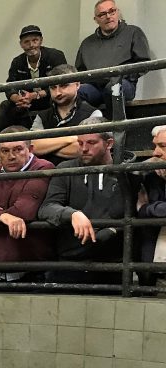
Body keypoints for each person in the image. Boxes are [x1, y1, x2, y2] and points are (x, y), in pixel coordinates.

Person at [37, 116, 124, 285]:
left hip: (111, 264)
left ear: (109, 144)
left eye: (91, 143)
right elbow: (46, 208)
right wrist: (72, 214)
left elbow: (129, 212)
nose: (84, 148)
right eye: (80, 142)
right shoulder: (65, 169)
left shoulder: (125, 172)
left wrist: (111, 231)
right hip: (70, 262)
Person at [0, 127, 55, 283]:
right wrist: (4, 217)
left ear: (30, 149)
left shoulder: (43, 168)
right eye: (5, 151)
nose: (11, 156)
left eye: (18, 149)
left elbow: (24, 211)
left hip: (32, 269)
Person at [76, 0, 151, 117]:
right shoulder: (87, 43)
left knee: (113, 87)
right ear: (96, 19)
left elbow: (144, 62)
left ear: (118, 12)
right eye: (102, 14)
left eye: (112, 11)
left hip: (123, 83)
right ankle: (85, 126)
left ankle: (113, 127)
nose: (108, 16)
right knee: (75, 92)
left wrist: (124, 76)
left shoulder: (133, 32)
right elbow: (79, 71)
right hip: (94, 87)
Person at [0, 25, 69, 132]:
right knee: (5, 106)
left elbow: (62, 84)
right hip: (27, 102)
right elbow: (10, 86)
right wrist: (18, 98)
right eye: (26, 42)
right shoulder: (17, 62)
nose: (31, 45)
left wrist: (35, 95)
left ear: (41, 41)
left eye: (35, 40)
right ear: (21, 44)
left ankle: (58, 134)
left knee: (57, 99)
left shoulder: (55, 56)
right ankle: (1, 139)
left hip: (49, 97)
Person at [30, 64, 103, 167]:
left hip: (80, 173)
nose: (58, 92)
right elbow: (33, 147)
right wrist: (71, 139)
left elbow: (84, 149)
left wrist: (47, 147)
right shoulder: (42, 116)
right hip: (47, 173)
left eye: (64, 85)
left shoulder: (93, 113)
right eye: (53, 87)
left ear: (77, 85)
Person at [136, 125, 166, 290]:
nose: (155, 153)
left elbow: (147, 210)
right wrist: (146, 165)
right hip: (154, 269)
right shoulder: (155, 176)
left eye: (163, 146)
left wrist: (146, 209)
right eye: (155, 146)